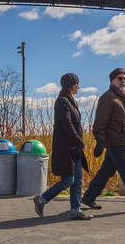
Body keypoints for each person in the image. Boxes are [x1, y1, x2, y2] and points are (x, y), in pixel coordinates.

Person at [79, 67, 125, 214]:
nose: (123, 81)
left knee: (106, 172)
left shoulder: (121, 98)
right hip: (115, 142)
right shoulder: (107, 98)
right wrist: (100, 141)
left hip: (121, 141)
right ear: (112, 80)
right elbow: (99, 123)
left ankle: (88, 197)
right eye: (120, 78)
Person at [34, 73, 89, 219]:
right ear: (73, 86)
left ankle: (76, 210)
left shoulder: (70, 101)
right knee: (68, 180)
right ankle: (41, 199)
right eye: (77, 84)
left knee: (77, 181)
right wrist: (80, 142)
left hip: (74, 150)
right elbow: (67, 125)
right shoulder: (62, 102)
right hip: (65, 149)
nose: (78, 87)